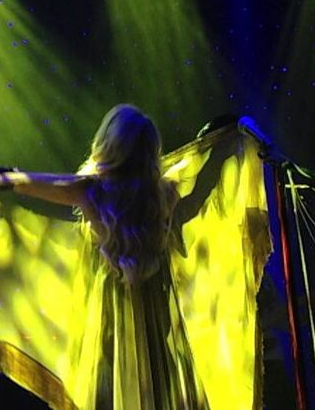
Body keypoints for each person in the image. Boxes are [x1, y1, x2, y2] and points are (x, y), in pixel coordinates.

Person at [11, 104, 209, 408]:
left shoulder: (90, 191)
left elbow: (22, 183)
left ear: (108, 145)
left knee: (108, 389)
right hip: (156, 324)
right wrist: (220, 138)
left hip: (110, 323)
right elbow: (200, 173)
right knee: (159, 388)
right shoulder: (165, 193)